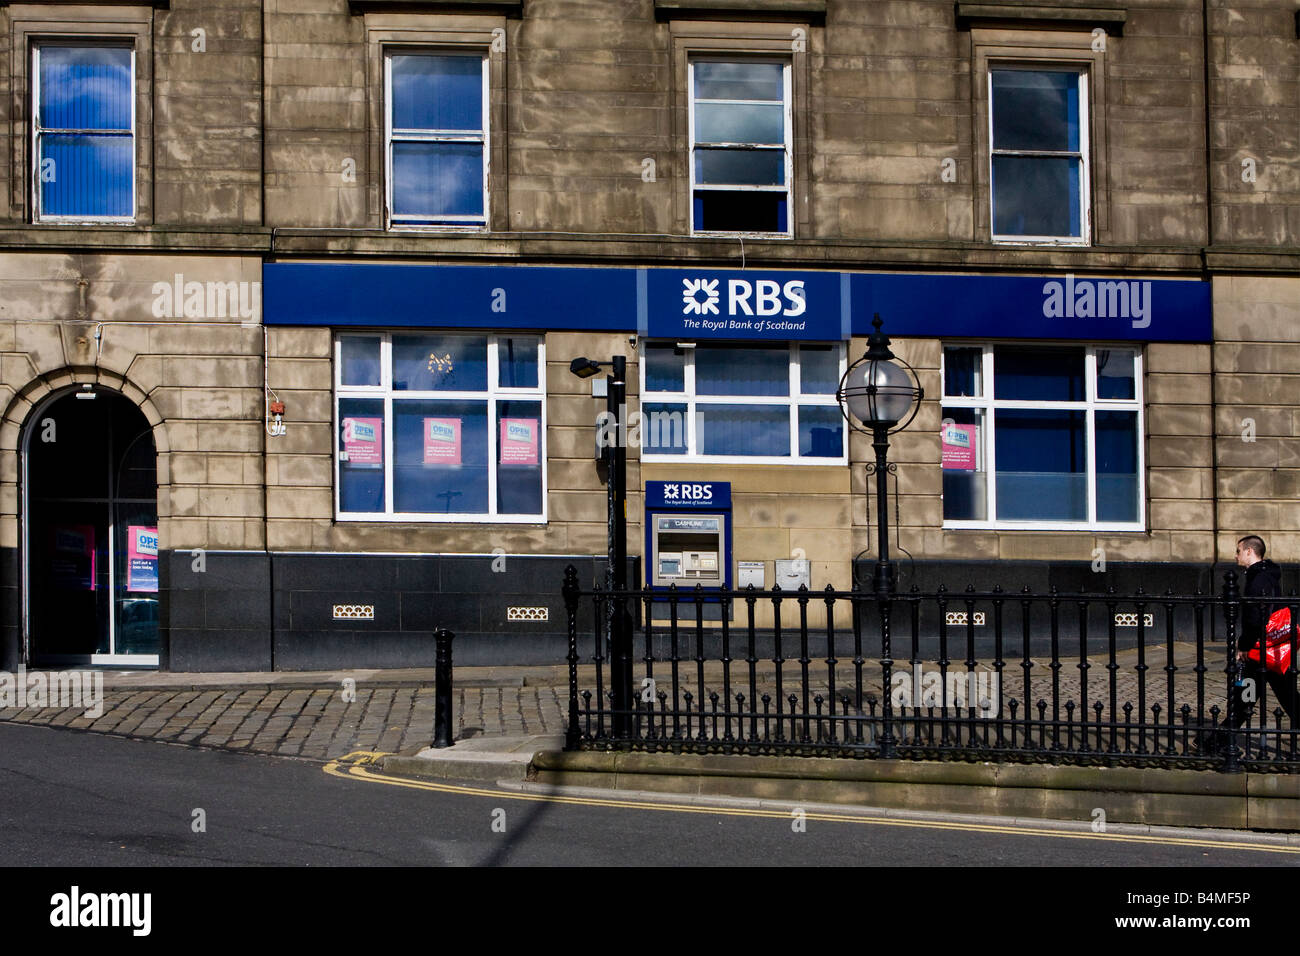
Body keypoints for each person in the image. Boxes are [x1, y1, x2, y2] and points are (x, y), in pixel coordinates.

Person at [1198, 536, 1299, 755]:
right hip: (1271, 648)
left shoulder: (1258, 579)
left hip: (1260, 650)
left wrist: (1243, 646)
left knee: (1249, 694)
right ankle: (1219, 740)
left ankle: (1218, 741)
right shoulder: (1267, 575)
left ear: (1249, 552)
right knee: (1280, 696)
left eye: (1238, 551)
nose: (1236, 555)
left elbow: (1256, 618)